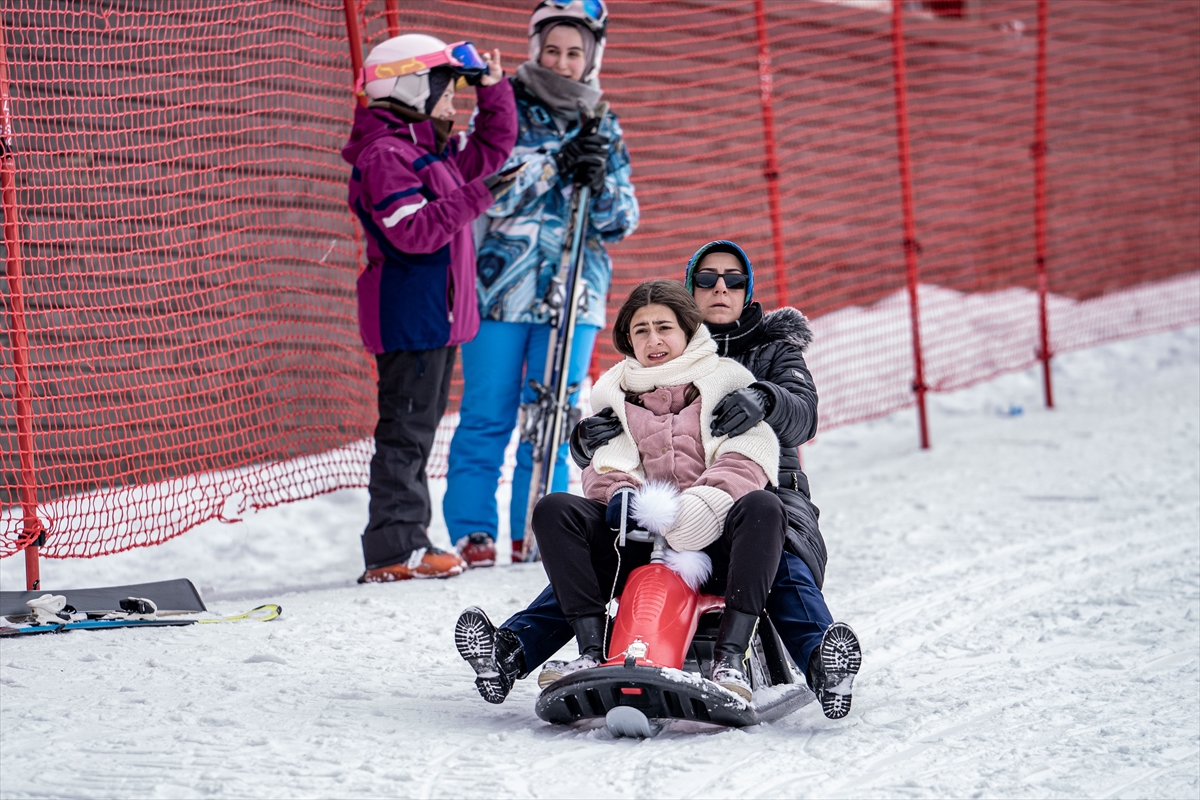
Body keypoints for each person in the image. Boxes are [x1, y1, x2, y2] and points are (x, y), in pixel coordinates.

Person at [455, 241, 863, 720]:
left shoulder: (769, 354)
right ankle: (511, 652)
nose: (720, 288)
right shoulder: (638, 371)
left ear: (747, 289)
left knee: (781, 557)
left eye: (733, 280)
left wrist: (766, 400)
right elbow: (614, 451)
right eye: (707, 279)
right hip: (655, 507)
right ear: (689, 295)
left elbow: (802, 415)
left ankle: (822, 664)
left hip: (762, 494)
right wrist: (586, 444)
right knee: (599, 552)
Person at [443, 0, 639, 567]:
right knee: (488, 411)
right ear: (534, 49)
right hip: (504, 286)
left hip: (575, 293)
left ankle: (538, 527)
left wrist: (598, 177)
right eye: (551, 48)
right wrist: (557, 163)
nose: (561, 60)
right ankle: (473, 531)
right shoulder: (505, 108)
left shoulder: (602, 118)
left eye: (574, 52)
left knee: (553, 412)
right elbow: (487, 186)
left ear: (592, 56)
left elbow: (622, 220)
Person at [342, 34, 517, 583]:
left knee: (417, 432)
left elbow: (490, 149)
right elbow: (414, 231)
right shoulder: (385, 156)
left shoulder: (425, 151)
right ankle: (396, 548)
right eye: (446, 89)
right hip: (410, 318)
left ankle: (408, 541)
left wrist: (495, 92)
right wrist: (478, 196)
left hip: (433, 319)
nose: (453, 102)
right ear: (411, 87)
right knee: (406, 432)